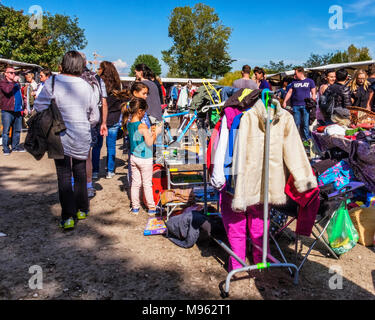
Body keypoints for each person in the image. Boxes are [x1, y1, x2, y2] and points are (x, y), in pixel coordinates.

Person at [34, 51, 100, 230]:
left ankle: (68, 216)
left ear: (62, 63)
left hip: (58, 134)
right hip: (81, 134)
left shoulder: (52, 83)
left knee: (63, 174)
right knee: (79, 172)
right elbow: (95, 116)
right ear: (80, 65)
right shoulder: (86, 86)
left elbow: (39, 106)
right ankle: (82, 208)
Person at [121, 97, 162, 216]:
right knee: (147, 184)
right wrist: (156, 132)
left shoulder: (129, 124)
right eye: (144, 111)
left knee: (135, 183)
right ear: (140, 111)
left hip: (134, 157)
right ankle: (151, 208)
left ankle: (135, 207)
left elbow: (140, 137)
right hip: (145, 158)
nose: (145, 114)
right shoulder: (142, 126)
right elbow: (149, 142)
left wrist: (150, 130)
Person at [80, 53, 108, 199]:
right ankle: (88, 185)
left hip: (79, 122)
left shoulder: (66, 78)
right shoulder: (96, 79)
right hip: (91, 121)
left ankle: (79, 184)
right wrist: (103, 122)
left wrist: (103, 122)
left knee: (74, 156)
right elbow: (103, 102)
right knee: (87, 155)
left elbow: (103, 102)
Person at [98, 61, 124, 179]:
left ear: (104, 70)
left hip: (99, 118)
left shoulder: (98, 82)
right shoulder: (117, 85)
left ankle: (94, 171)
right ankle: (110, 170)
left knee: (97, 146)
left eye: (100, 68)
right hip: (113, 118)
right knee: (111, 146)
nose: (98, 69)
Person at [283, 67, 316, 144]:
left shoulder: (309, 81)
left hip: (305, 105)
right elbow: (289, 92)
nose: (294, 75)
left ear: (300, 73)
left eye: (295, 73)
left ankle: (307, 140)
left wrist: (313, 97)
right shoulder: (294, 82)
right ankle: (296, 140)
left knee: (305, 124)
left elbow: (313, 91)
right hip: (296, 106)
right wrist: (285, 101)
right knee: (296, 123)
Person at [0, 66, 28, 155]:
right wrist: (14, 81)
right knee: (6, 131)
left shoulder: (17, 84)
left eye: (14, 73)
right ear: (6, 74)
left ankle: (15, 147)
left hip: (18, 110)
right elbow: (7, 91)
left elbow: (20, 96)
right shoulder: (3, 82)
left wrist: (24, 107)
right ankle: (6, 149)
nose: (13, 74)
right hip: (7, 110)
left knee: (17, 130)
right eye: (11, 73)